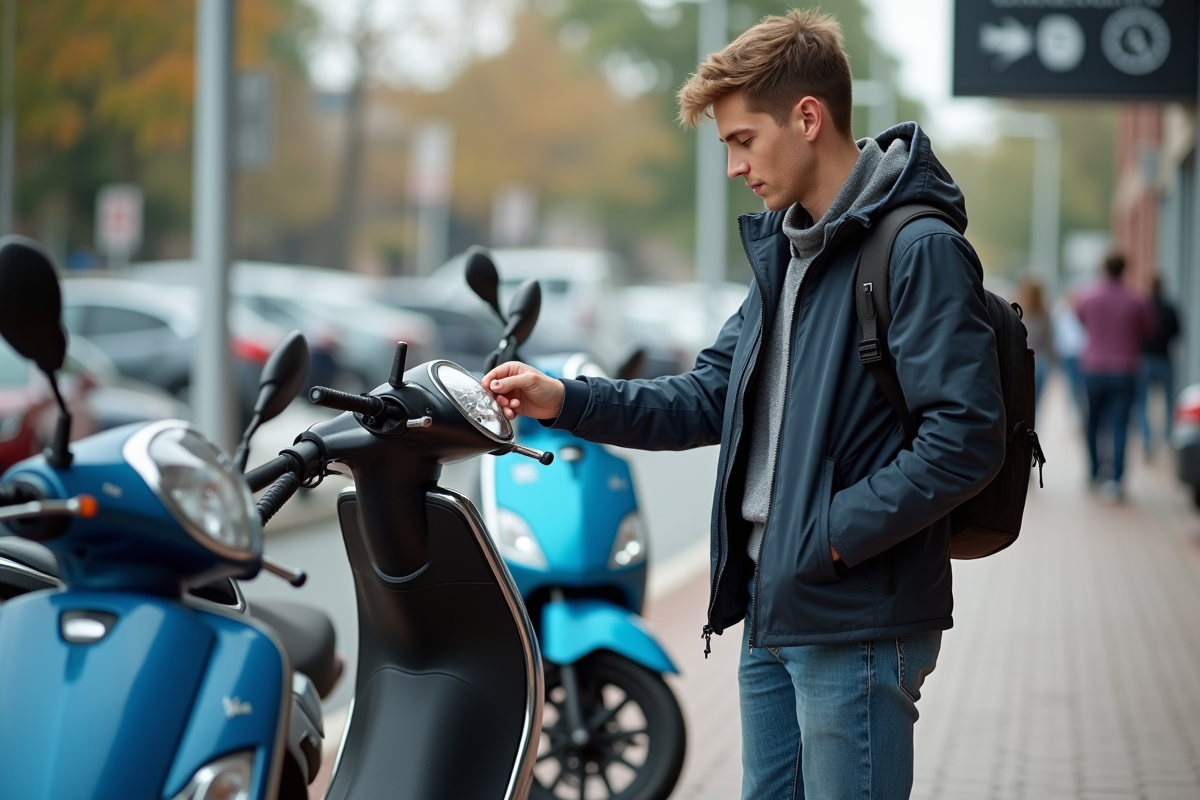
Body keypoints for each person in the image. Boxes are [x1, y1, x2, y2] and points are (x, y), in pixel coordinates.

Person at [484, 10, 1004, 799]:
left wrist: (828, 536)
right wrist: (566, 399)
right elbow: (707, 397)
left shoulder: (918, 248)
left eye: (741, 140)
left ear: (807, 117)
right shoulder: (787, 247)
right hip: (775, 604)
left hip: (854, 611)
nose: (733, 166)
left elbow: (964, 437)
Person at [1074, 253, 1153, 502]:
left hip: (1094, 367)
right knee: (1120, 425)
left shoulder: (1087, 297)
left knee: (1092, 422)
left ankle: (1094, 471)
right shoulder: (1137, 300)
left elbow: (1081, 320)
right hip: (1125, 369)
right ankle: (1116, 481)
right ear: (1124, 270)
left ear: (1104, 268)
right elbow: (1149, 329)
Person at [1137, 275, 1181, 453]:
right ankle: (1168, 438)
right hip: (1164, 358)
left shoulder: (1142, 308)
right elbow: (1177, 332)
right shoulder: (1170, 307)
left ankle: (1147, 439)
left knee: (1142, 402)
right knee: (1169, 400)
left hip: (1145, 359)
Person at [1016, 276, 1052, 409]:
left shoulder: (1016, 312)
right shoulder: (1044, 314)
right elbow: (1049, 342)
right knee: (1033, 407)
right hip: (1039, 362)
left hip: (1018, 361)